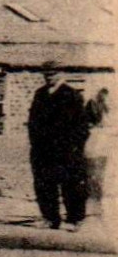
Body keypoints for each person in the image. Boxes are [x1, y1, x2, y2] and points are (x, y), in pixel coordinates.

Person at [27, 62, 94, 232]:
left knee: (71, 184)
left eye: (53, 74)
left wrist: (74, 147)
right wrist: (35, 143)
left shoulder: (71, 95)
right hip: (43, 149)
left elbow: (81, 127)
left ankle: (75, 219)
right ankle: (50, 218)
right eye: (46, 74)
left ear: (61, 74)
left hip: (66, 149)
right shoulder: (40, 94)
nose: (49, 77)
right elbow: (33, 121)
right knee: (44, 184)